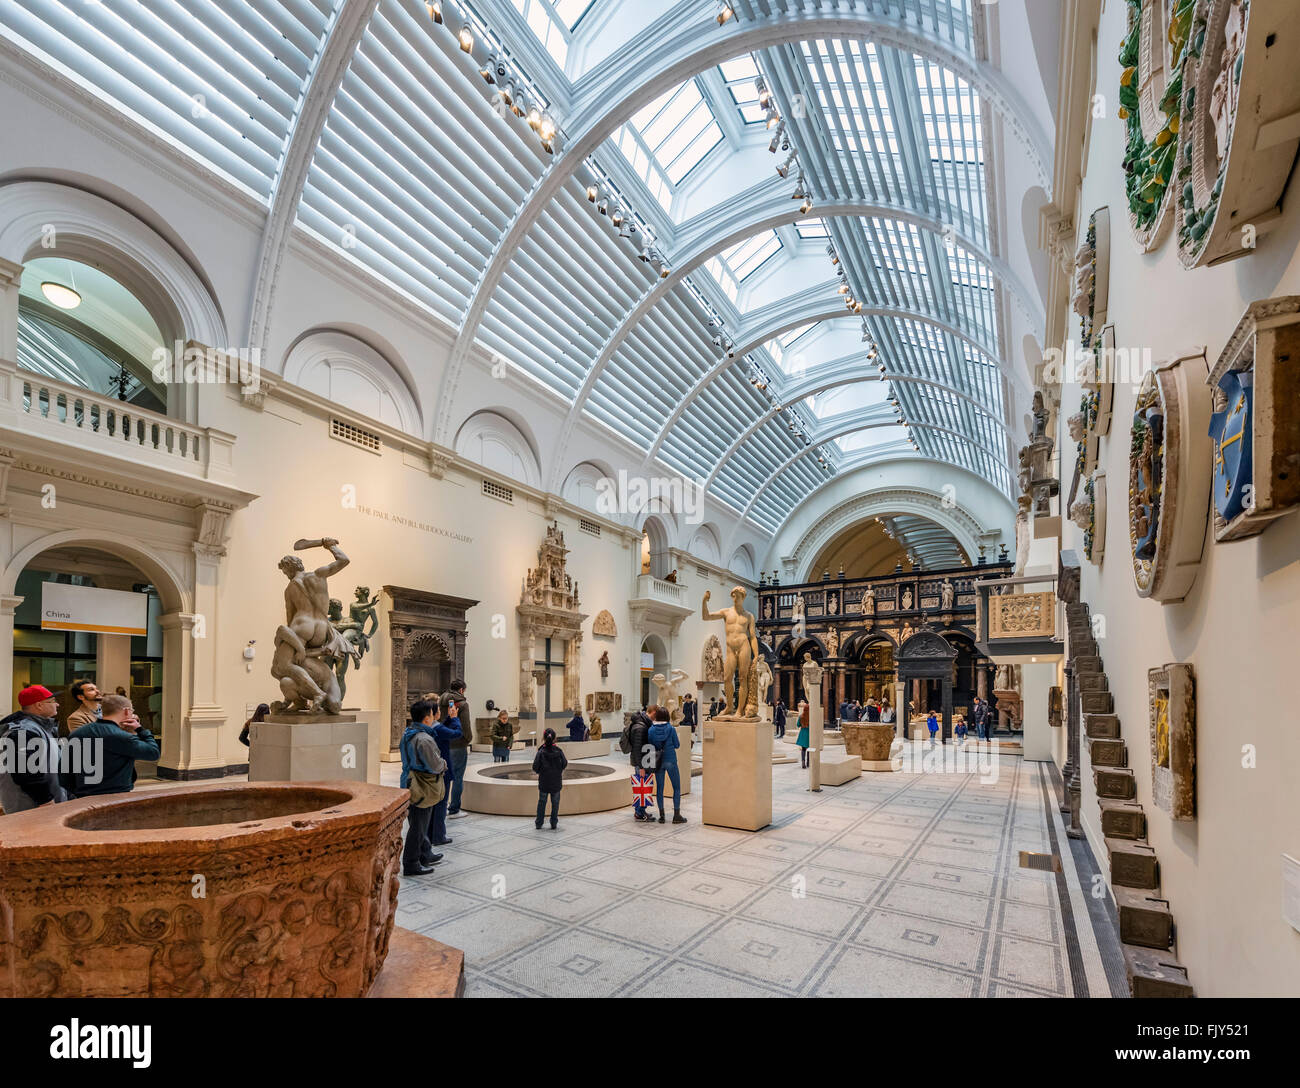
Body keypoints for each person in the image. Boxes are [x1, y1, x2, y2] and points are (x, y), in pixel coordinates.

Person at [70, 693, 160, 796]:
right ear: (126, 711)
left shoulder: (77, 733)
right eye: (132, 711)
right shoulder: (122, 737)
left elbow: (65, 771)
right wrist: (140, 729)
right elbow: (153, 753)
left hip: (81, 795)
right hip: (114, 796)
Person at [0, 685, 71, 813]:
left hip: (44, 804)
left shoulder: (41, 727)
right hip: (31, 807)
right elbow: (25, 771)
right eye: (53, 701)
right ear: (39, 705)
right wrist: (45, 800)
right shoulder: (23, 730)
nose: (58, 704)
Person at [399, 700, 446, 876]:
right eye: (432, 715)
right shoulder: (424, 739)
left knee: (419, 823)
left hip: (410, 781)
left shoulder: (409, 733)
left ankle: (425, 853)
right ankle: (411, 863)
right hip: (422, 786)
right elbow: (434, 765)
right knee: (418, 827)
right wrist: (444, 764)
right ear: (427, 718)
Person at [429, 694, 463, 847]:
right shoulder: (436, 728)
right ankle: (438, 835)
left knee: (436, 803)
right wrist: (455, 718)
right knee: (441, 803)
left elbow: (442, 727)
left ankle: (432, 833)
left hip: (433, 769)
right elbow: (457, 733)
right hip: (441, 769)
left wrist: (449, 719)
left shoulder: (431, 726)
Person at [645, 706, 685, 824]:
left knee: (660, 789)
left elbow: (650, 746)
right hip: (671, 760)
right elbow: (677, 745)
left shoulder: (651, 730)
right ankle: (676, 815)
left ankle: (662, 816)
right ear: (667, 716)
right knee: (676, 788)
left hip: (658, 762)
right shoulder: (671, 729)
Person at [444, 679, 471, 820]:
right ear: (461, 690)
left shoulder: (441, 701)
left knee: (444, 776)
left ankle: (442, 807)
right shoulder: (462, 704)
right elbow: (466, 727)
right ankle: (454, 808)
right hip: (458, 744)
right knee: (458, 777)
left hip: (444, 742)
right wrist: (468, 739)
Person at [532, 727, 568, 829]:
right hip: (556, 782)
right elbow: (565, 764)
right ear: (555, 738)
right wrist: (558, 771)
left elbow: (535, 767)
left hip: (544, 782)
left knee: (542, 802)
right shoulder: (559, 751)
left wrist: (540, 772)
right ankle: (554, 823)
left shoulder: (541, 751)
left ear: (543, 738)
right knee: (555, 803)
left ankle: (539, 823)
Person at [625, 706, 653, 821]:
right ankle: (639, 813)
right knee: (641, 788)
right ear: (652, 713)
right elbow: (637, 748)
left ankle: (641, 811)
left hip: (641, 761)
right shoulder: (640, 727)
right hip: (640, 763)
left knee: (642, 787)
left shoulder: (641, 724)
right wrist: (641, 767)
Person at [795, 701, 810, 769]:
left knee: (803, 749)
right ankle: (808, 762)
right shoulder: (811, 717)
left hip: (803, 733)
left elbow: (798, 725)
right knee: (809, 749)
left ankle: (803, 762)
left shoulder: (801, 716)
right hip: (809, 733)